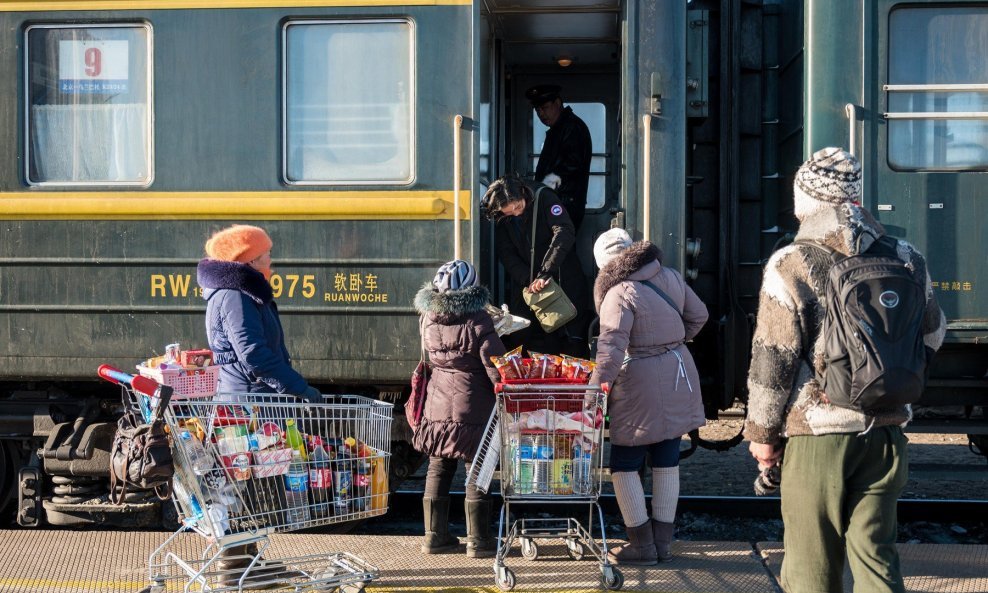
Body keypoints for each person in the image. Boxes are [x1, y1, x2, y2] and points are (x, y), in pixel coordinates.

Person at [745, 148, 946, 593]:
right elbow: (933, 334)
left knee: (811, 569)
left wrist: (762, 437)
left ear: (807, 200)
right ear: (856, 197)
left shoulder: (790, 261)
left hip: (817, 437)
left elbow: (773, 357)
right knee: (878, 561)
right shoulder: (906, 255)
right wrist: (890, 385)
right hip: (885, 433)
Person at [196, 224, 319, 587]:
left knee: (251, 485)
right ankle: (235, 570)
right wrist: (299, 388)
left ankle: (248, 562)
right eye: (266, 256)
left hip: (249, 401)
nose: (272, 263)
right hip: (245, 406)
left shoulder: (243, 292)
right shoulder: (235, 296)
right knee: (243, 485)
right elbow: (254, 355)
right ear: (248, 261)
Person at [588, 228, 708, 566]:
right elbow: (699, 315)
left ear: (604, 265)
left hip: (638, 380)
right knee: (667, 456)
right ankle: (663, 544)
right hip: (678, 369)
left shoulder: (617, 293)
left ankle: (641, 545)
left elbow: (611, 348)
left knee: (624, 463)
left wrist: (595, 390)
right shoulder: (668, 275)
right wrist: (673, 343)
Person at [412, 260, 507, 558]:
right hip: (473, 403)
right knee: (475, 467)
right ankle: (479, 541)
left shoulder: (428, 317)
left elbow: (430, 355)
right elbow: (494, 364)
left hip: (437, 402)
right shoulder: (478, 319)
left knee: (438, 465)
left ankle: (434, 537)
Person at [481, 175, 590, 357]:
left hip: (563, 278)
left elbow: (564, 231)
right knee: (525, 334)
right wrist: (529, 279)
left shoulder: (544, 197)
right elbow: (506, 252)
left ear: (523, 193)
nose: (516, 213)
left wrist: (546, 272)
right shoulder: (502, 216)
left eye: (518, 207)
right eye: (509, 213)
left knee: (571, 337)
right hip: (529, 284)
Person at [527, 84, 593, 230]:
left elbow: (571, 165)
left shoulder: (572, 128)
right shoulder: (559, 129)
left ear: (557, 103)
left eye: (544, 108)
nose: (541, 114)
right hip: (557, 202)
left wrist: (541, 189)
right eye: (537, 110)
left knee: (560, 247)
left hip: (563, 203)